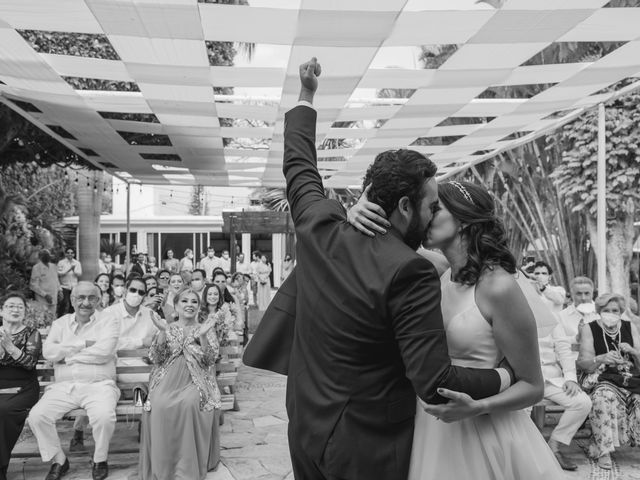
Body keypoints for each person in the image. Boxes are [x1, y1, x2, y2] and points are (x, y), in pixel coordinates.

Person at [271, 58, 516, 480]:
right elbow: (434, 378)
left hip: (305, 426)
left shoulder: (319, 224)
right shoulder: (411, 271)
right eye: (431, 205)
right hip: (368, 445)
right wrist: (505, 376)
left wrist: (306, 95)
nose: (436, 213)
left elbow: (299, 167)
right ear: (404, 206)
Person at [349, 179, 563, 479]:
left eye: (435, 209)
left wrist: (478, 406)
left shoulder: (499, 287)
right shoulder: (437, 270)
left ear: (462, 220)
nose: (425, 216)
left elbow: (533, 386)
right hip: (432, 427)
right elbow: (376, 236)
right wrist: (354, 212)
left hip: (483, 428)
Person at [28, 282, 120, 480]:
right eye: (80, 297)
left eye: (91, 298)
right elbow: (49, 352)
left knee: (104, 417)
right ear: (72, 299)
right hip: (63, 387)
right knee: (37, 416)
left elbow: (104, 352)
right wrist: (83, 344)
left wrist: (68, 355)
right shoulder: (60, 324)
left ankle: (99, 459)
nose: (85, 302)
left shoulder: (109, 321)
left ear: (98, 300)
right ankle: (59, 460)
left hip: (99, 386)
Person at [139, 288, 221, 480]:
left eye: (194, 302)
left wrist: (202, 336)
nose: (189, 305)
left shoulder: (205, 329)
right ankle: (164, 465)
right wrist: (161, 331)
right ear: (176, 305)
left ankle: (185, 467)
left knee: (190, 405)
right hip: (166, 380)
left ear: (199, 307)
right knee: (158, 405)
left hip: (195, 381)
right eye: (184, 301)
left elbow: (209, 361)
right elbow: (156, 358)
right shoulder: (167, 327)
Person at [69, 277, 158, 451]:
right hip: (108, 363)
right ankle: (78, 431)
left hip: (137, 364)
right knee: (91, 386)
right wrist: (140, 341)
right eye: (133, 290)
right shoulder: (109, 313)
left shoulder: (149, 314)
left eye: (141, 292)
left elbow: (157, 339)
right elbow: (108, 342)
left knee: (149, 380)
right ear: (125, 290)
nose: (136, 294)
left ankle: (141, 420)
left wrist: (152, 349)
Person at [577, 293, 640, 470]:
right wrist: (602, 358)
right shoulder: (589, 328)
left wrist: (633, 352)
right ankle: (603, 450)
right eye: (606, 310)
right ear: (599, 311)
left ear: (621, 312)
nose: (611, 313)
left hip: (630, 379)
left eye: (615, 310)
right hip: (603, 378)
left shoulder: (630, 326)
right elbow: (584, 363)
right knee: (603, 397)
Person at [536, 323, 592, 470]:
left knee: (582, 402)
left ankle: (554, 446)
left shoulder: (550, 319)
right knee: (518, 411)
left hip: (550, 378)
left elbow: (564, 350)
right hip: (521, 379)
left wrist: (570, 378)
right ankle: (526, 454)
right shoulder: (509, 313)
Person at [0, 293, 42, 480]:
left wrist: (9, 347)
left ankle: (1, 466)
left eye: (19, 307)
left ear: (25, 312)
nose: (15, 309)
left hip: (24, 387)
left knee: (3, 410)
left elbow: (30, 363)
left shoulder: (32, 334)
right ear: (1, 310)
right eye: (10, 306)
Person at [559, 276, 598, 358]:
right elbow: (558, 345)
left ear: (592, 294)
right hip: (572, 363)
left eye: (587, 293)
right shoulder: (561, 316)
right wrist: (577, 338)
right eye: (579, 294)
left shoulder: (601, 313)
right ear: (572, 295)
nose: (583, 298)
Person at [30, 249, 61, 318]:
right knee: (43, 318)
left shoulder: (53, 266)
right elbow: (33, 285)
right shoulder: (36, 268)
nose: (47, 257)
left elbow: (56, 280)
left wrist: (60, 291)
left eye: (48, 255)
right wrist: (45, 295)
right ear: (40, 257)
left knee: (53, 317)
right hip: (42, 299)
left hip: (54, 296)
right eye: (45, 255)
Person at [57, 247, 82, 316]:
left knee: (73, 304)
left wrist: (74, 270)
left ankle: (72, 317)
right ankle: (60, 317)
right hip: (64, 286)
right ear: (65, 254)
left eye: (71, 253)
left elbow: (79, 274)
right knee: (64, 302)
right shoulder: (61, 262)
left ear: (74, 254)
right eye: (68, 253)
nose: (70, 254)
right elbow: (59, 273)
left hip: (74, 287)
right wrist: (69, 269)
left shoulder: (77, 263)